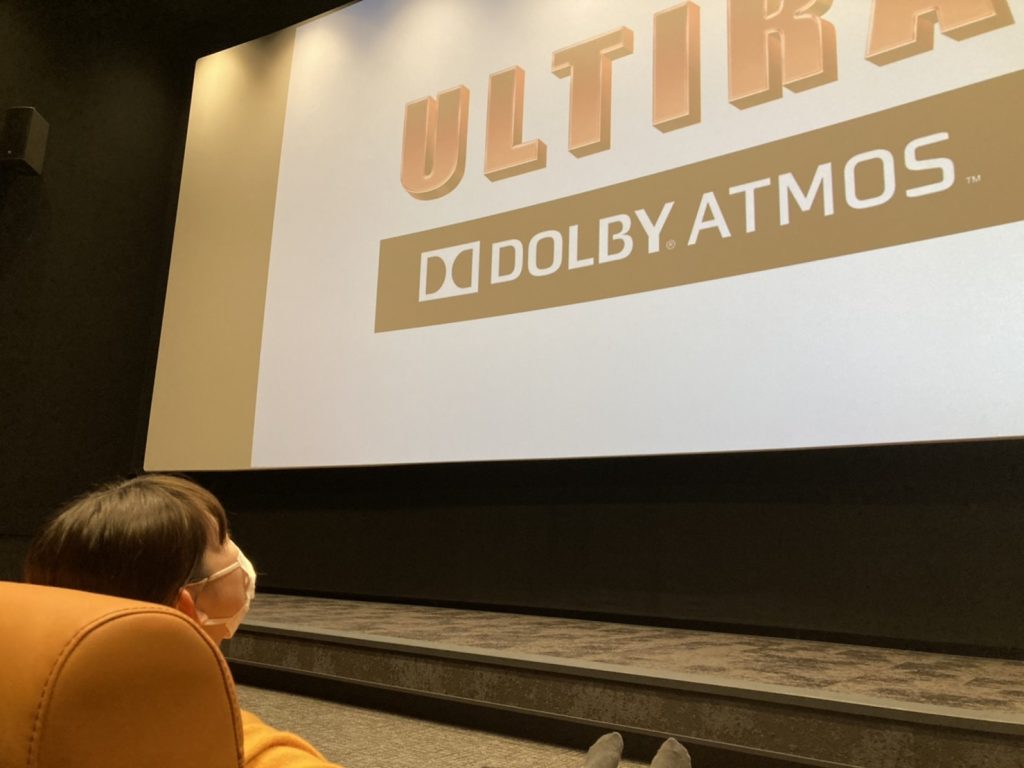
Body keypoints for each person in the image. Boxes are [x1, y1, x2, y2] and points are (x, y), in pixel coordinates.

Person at [24, 474, 691, 768]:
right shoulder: (231, 745)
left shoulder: (47, 712)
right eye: (222, 540)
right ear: (184, 609)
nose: (239, 554)